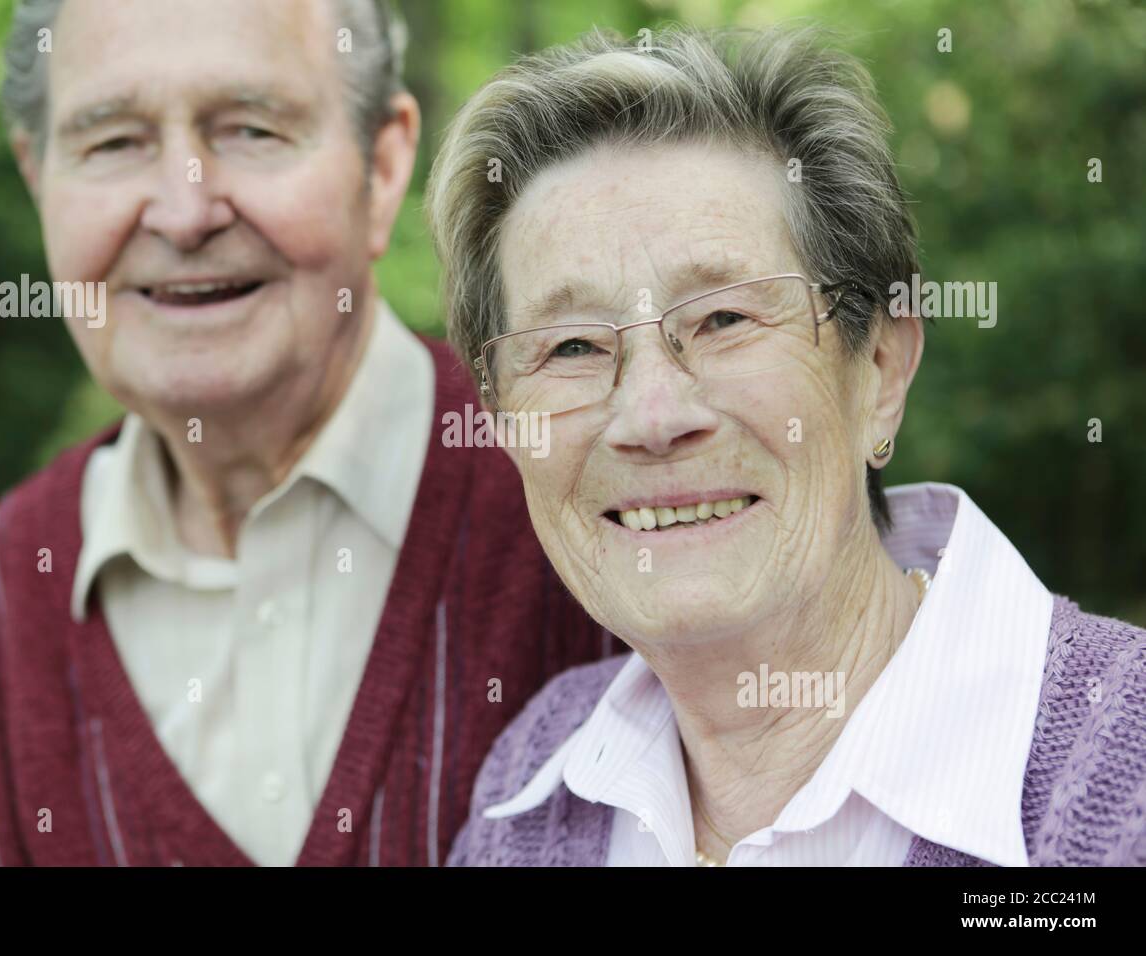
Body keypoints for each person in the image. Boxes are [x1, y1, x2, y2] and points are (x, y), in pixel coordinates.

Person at [0, 0, 620, 868]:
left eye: (251, 129)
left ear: (383, 168)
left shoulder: (587, 484)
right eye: (113, 142)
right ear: (39, 179)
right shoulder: (13, 584)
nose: (184, 212)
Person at [427, 25, 1146, 866]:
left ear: (879, 367)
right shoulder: (532, 780)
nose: (653, 417)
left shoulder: (1121, 776)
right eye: (572, 348)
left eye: (726, 318)